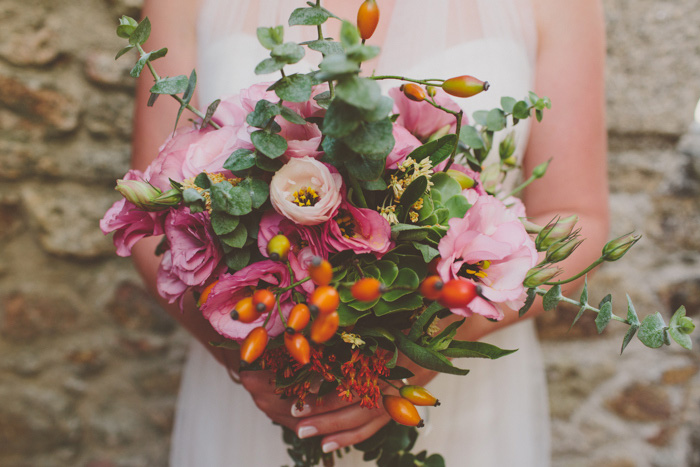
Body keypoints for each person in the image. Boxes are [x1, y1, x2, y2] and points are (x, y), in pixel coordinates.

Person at [129, 0, 609, 465]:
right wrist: (258, 362)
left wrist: (427, 345)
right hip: (260, 396)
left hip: (460, 407)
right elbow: (150, 217)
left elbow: (578, 218)